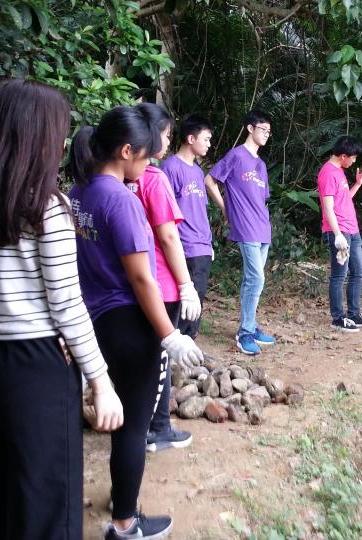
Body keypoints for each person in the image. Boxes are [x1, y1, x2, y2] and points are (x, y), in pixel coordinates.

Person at [0, 79, 124, 538]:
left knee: (2, 494)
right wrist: (101, 381)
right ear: (39, 135)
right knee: (48, 506)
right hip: (34, 370)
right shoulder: (46, 207)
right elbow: (67, 304)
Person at [68, 105, 204, 540]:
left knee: (114, 416)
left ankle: (114, 499)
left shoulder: (78, 192)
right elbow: (142, 276)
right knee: (133, 426)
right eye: (145, 157)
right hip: (128, 321)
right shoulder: (121, 199)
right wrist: (169, 333)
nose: (147, 165)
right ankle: (126, 522)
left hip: (91, 319)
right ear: (125, 151)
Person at [129, 103, 199, 454]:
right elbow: (169, 236)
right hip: (161, 283)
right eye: (168, 135)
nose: (169, 142)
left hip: (134, 283)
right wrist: (186, 285)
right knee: (159, 359)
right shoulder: (153, 179)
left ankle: (146, 425)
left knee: (144, 358)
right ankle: (156, 428)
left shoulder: (120, 178)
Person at [205, 110, 277, 355]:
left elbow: (262, 199)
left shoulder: (261, 164)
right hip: (245, 226)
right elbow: (210, 180)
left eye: (269, 131)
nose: (267, 134)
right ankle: (245, 333)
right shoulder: (236, 156)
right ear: (250, 128)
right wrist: (225, 208)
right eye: (263, 129)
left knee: (252, 280)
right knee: (256, 279)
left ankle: (250, 324)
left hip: (262, 228)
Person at [162, 114, 214, 341]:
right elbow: (164, 212)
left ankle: (189, 344)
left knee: (198, 300)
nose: (209, 144)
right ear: (191, 138)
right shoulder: (171, 168)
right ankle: (178, 350)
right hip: (184, 246)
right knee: (183, 303)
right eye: (206, 139)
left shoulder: (197, 171)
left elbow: (200, 211)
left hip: (202, 246)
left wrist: (209, 243)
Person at [317, 135, 362, 332]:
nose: (354, 161)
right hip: (340, 231)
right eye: (352, 157)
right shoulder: (328, 173)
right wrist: (337, 235)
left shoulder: (340, 171)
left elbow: (344, 200)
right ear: (343, 155)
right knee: (339, 275)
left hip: (352, 229)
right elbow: (328, 207)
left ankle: (354, 314)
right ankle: (338, 317)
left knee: (359, 272)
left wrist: (358, 184)